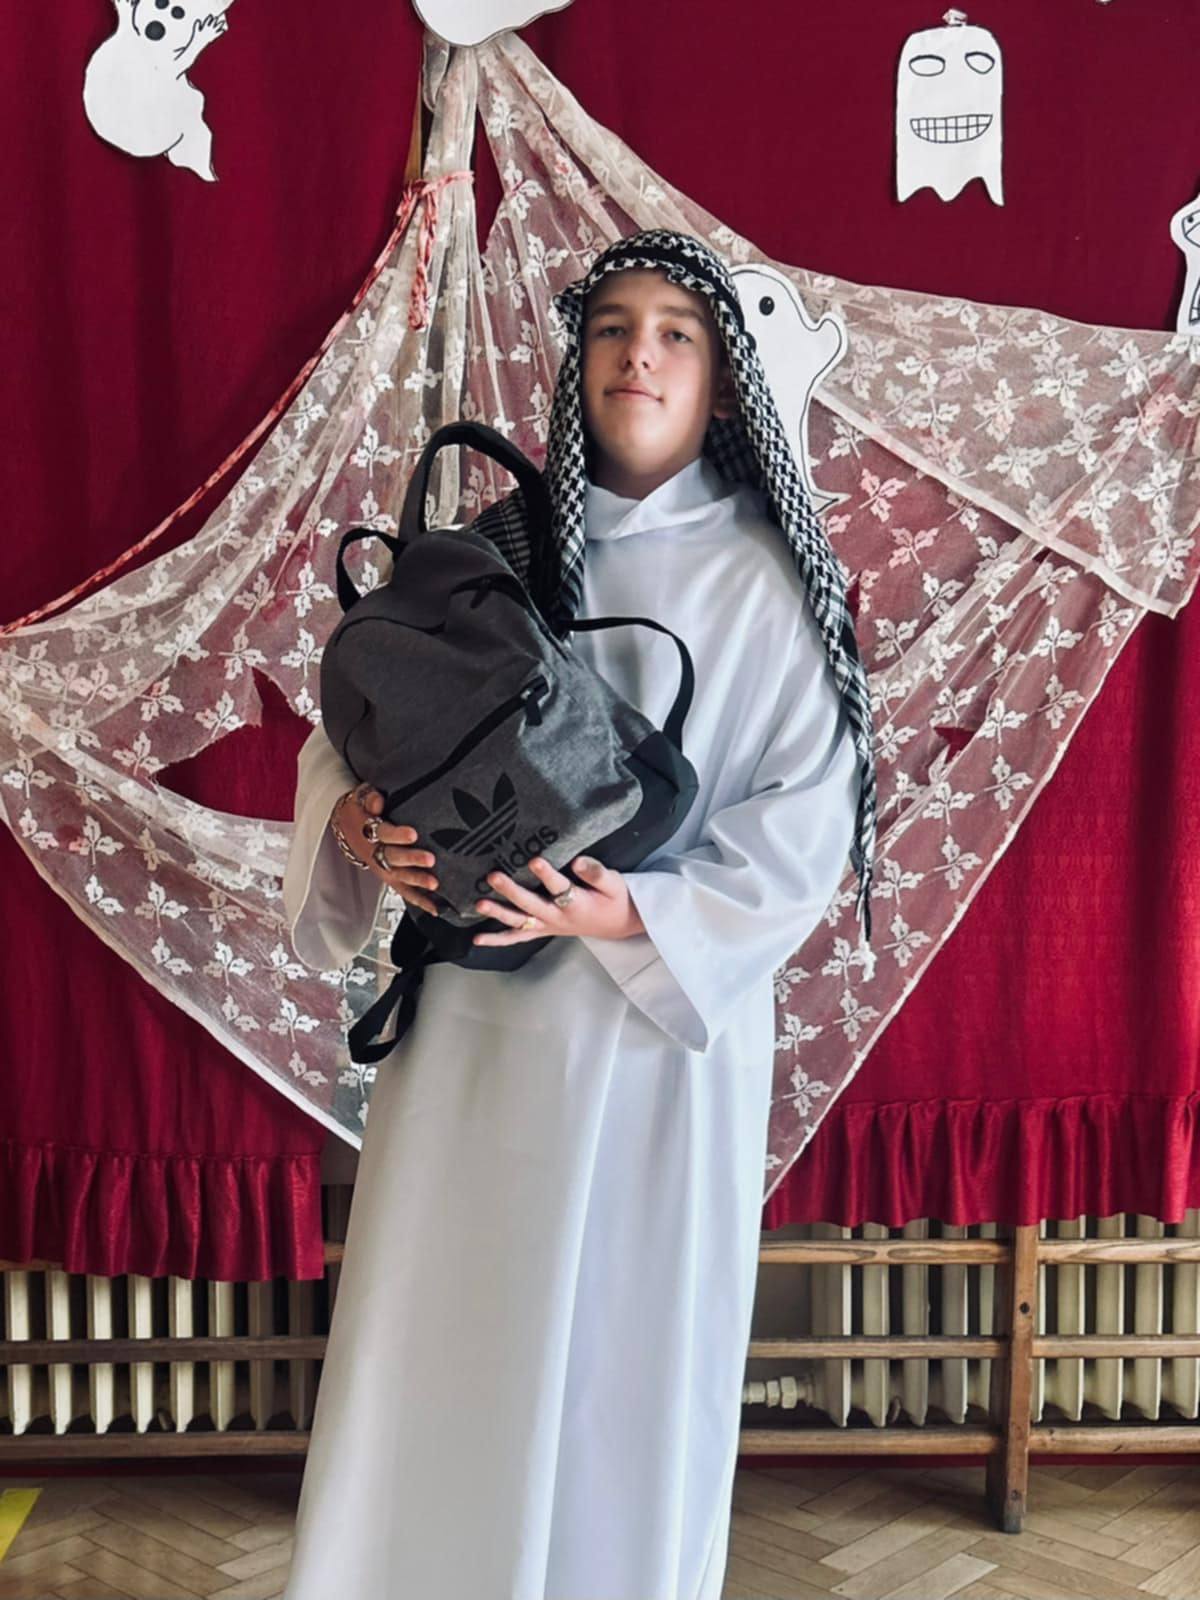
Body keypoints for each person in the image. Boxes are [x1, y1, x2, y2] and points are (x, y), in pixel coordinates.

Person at [280, 229, 874, 1600]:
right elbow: (351, 733)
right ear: (576, 362)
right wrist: (360, 826)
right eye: (612, 328)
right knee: (444, 1352)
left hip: (651, 1058)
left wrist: (629, 913)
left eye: (675, 332)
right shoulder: (493, 549)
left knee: (622, 1379)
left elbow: (804, 824)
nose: (639, 355)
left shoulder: (776, 583)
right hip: (476, 1038)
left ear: (720, 379)